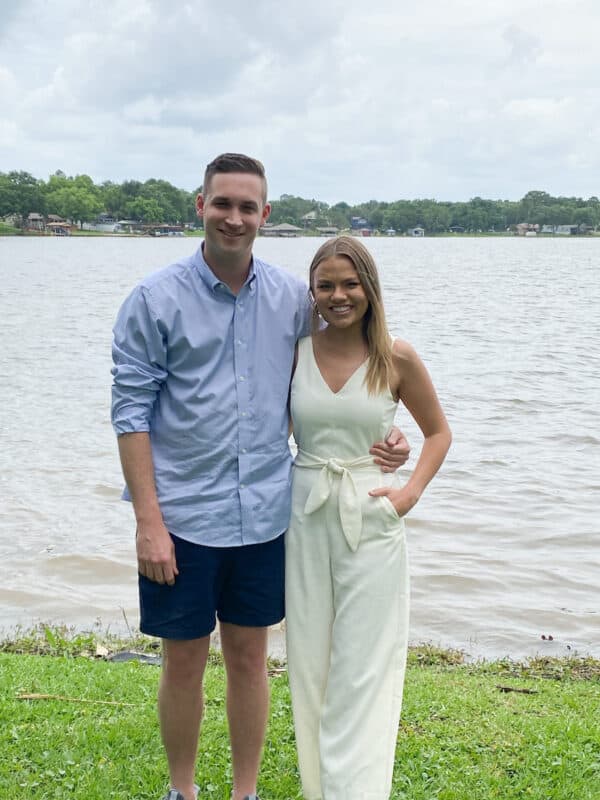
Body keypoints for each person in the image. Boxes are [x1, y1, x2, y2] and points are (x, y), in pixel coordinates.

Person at [110, 154, 410, 800]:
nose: (235, 217)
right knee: (183, 662)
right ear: (201, 205)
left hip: (266, 520)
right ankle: (182, 790)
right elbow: (130, 414)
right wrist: (147, 523)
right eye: (223, 203)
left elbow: (348, 364)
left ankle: (245, 793)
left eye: (249, 207)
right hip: (181, 521)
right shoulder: (153, 300)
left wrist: (385, 431)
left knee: (250, 660)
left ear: (265, 216)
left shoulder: (292, 302)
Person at [285, 235, 452, 800]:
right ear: (311, 291)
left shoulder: (395, 356)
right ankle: (320, 787)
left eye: (350, 283)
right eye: (326, 285)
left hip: (371, 516)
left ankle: (354, 790)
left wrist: (410, 492)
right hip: (304, 514)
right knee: (310, 660)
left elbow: (438, 432)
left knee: (364, 664)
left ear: (370, 288)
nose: (338, 295)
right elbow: (267, 432)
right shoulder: (295, 350)